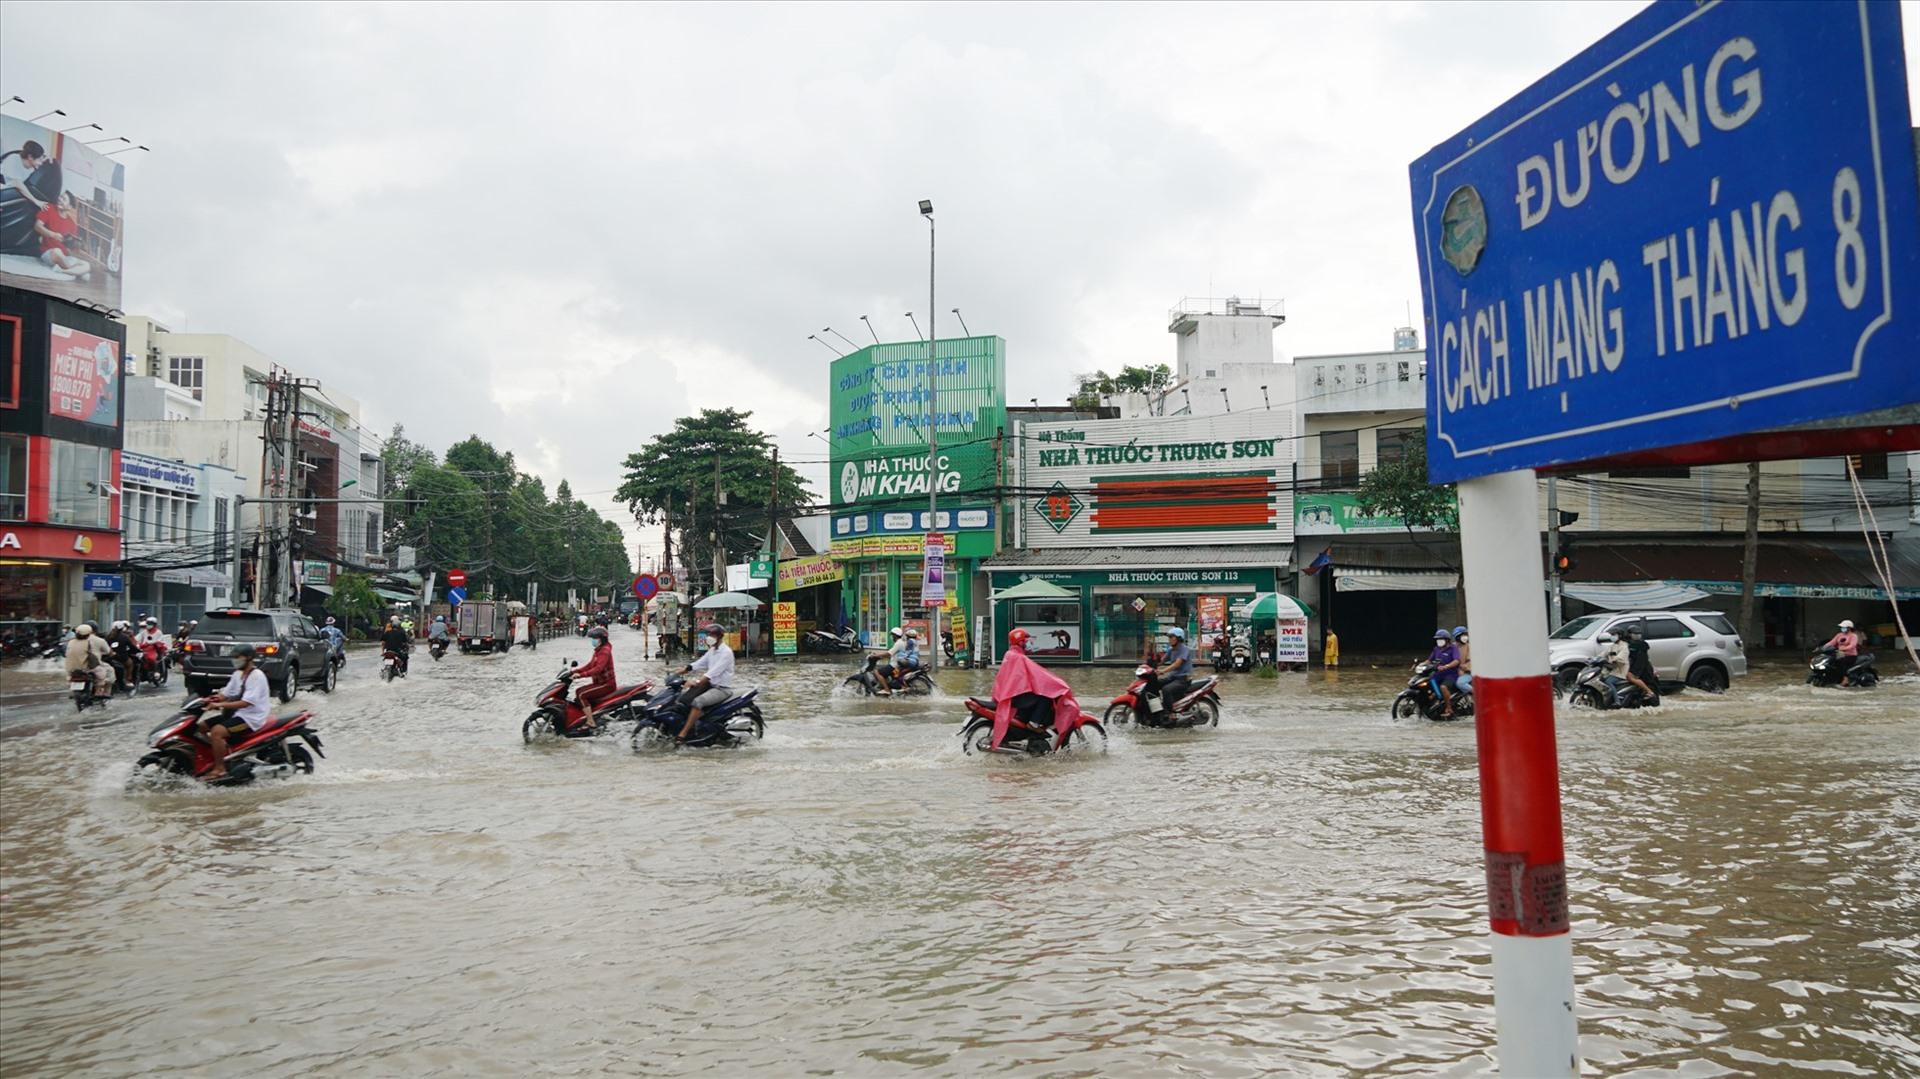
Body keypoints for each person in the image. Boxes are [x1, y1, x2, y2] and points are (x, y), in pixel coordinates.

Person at [990, 628, 1084, 751]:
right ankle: (1034, 723)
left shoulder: (1010, 654)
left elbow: (1029, 676)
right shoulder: (1020, 658)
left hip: (1009, 695)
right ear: (1020, 642)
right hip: (1016, 697)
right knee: (1046, 697)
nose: (1028, 643)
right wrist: (1057, 684)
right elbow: (1039, 675)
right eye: (1026, 641)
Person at [199, 643, 273, 781]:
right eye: (233, 657)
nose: (235, 660)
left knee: (217, 732)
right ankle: (220, 753)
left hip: (251, 718)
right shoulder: (237, 674)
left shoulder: (256, 676)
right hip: (235, 714)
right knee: (200, 727)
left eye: (237, 657)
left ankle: (220, 768)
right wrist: (210, 699)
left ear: (249, 658)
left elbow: (246, 703)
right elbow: (226, 694)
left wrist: (219, 704)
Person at [676, 624, 734, 742]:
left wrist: (698, 681)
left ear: (719, 636)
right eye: (708, 634)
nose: (709, 637)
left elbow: (714, 672)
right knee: (683, 698)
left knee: (698, 702)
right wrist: (686, 668)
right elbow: (700, 663)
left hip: (721, 689)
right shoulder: (712, 650)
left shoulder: (726, 652)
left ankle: (683, 733)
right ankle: (694, 723)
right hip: (710, 686)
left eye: (711, 635)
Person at [1140, 627, 1194, 724]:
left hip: (1183, 679)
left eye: (1171, 637)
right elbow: (1161, 661)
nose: (1169, 639)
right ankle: (1156, 710)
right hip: (1173, 677)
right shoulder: (1171, 650)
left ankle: (1170, 713)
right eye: (1169, 637)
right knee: (1153, 684)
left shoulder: (1184, 650)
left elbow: (1177, 664)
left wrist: (1163, 671)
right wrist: (1149, 665)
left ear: (1178, 638)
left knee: (1166, 689)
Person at [33, 190, 91, 280]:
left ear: (70, 207)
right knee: (57, 251)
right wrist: (53, 235)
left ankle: (62, 271)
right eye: (60, 197)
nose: (60, 199)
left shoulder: (72, 224)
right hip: (48, 252)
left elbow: (70, 250)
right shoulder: (49, 208)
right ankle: (76, 272)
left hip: (65, 256)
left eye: (63, 199)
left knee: (87, 265)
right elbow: (37, 226)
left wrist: (75, 246)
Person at [572, 625, 618, 731]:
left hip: (606, 684)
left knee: (582, 695)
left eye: (595, 638)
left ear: (601, 639)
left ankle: (591, 722)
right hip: (599, 682)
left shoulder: (604, 651)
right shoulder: (598, 650)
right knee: (578, 691)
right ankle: (589, 716)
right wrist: (575, 671)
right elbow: (590, 665)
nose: (593, 641)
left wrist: (582, 675)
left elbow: (598, 669)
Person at [63, 623, 113, 700]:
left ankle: (72, 691)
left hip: (71, 668)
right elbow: (92, 655)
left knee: (69, 677)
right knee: (103, 673)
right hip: (86, 668)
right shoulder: (88, 642)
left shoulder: (71, 642)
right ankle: (99, 692)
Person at [1427, 629, 1460, 718]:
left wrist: (1447, 666)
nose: (1439, 641)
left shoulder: (1453, 648)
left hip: (1451, 674)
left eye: (1441, 639)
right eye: (1438, 639)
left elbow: (1456, 661)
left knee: (1443, 687)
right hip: (1437, 674)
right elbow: (1429, 660)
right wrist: (1421, 664)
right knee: (1427, 683)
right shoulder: (1436, 649)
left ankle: (1449, 708)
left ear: (1447, 640)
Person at [1621, 623, 1658, 703]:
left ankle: (1649, 692)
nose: (1637, 635)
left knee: (1630, 677)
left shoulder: (1642, 645)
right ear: (1629, 634)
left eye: (1639, 634)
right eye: (1635, 633)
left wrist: (1634, 672)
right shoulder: (1627, 643)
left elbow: (1642, 660)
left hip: (1641, 668)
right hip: (1633, 666)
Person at [1822, 619, 1863, 684]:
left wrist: (1843, 649)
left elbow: (1852, 645)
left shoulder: (1853, 636)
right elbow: (1832, 642)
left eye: (1844, 627)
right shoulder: (1839, 635)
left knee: (1840, 662)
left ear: (1849, 628)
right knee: (1830, 661)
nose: (1842, 628)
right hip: (1839, 653)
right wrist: (1823, 647)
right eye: (1842, 627)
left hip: (1850, 655)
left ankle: (1845, 678)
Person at [1452, 627, 1473, 695]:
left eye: (1465, 635)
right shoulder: (1452, 646)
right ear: (1457, 637)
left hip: (1467, 673)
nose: (1465, 637)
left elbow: (1470, 662)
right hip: (1453, 672)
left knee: (1460, 683)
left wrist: (1463, 668)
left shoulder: (1470, 647)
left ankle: (1479, 694)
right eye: (1462, 635)